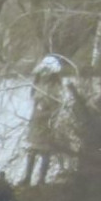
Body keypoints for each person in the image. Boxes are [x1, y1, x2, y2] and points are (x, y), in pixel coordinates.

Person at [23, 56, 74, 185]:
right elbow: (33, 98)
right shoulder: (37, 82)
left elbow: (57, 104)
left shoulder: (55, 86)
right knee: (31, 150)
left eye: (47, 71)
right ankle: (27, 178)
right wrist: (37, 107)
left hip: (47, 120)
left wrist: (46, 107)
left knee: (45, 150)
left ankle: (41, 179)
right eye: (43, 70)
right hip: (35, 119)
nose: (44, 73)